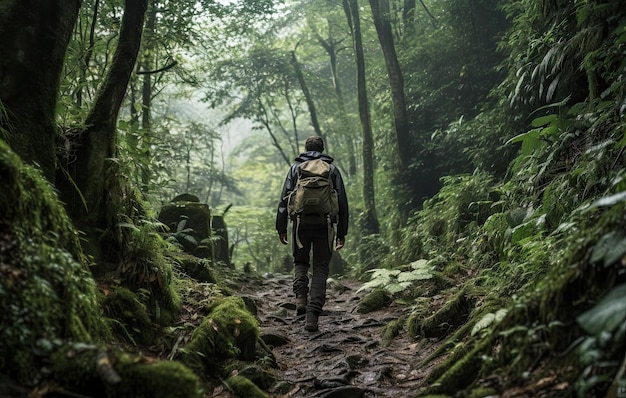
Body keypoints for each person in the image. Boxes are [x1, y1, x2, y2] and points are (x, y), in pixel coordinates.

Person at [276, 136, 349, 332]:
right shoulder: (331, 169)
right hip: (325, 225)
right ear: (322, 149)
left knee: (300, 262)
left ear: (305, 149)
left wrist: (281, 227)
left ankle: (300, 300)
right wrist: (342, 232)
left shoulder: (295, 169)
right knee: (321, 266)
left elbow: (284, 199)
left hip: (300, 224)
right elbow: (341, 202)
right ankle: (313, 314)